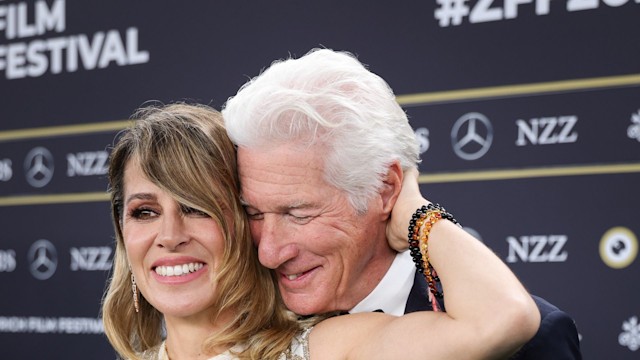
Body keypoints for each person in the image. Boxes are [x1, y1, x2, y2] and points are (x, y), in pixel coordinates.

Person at [102, 103, 539, 359]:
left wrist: (412, 210)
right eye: (144, 212)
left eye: (197, 208)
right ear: (123, 234)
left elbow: (503, 317)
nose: (170, 235)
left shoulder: (325, 349)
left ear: (243, 223)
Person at [222, 48, 582, 359]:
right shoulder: (233, 319)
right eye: (253, 213)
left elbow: (507, 319)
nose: (268, 253)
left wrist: (416, 214)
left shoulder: (529, 339)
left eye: (298, 214)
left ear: (385, 188)